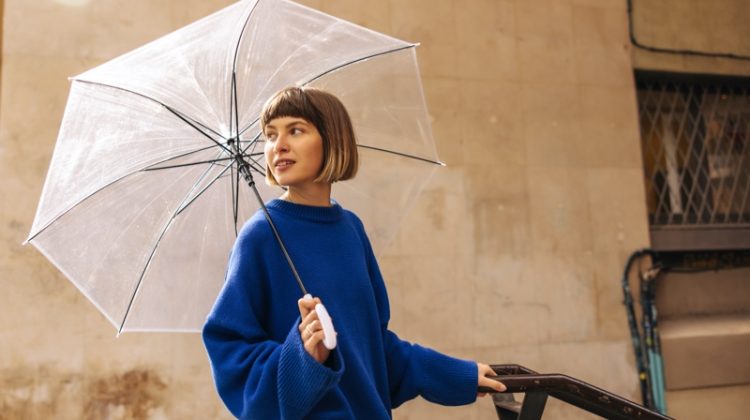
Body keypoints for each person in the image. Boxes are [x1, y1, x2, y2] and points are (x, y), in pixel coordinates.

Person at [202, 86, 505, 419]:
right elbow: (229, 351)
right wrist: (302, 355)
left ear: (332, 139)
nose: (279, 145)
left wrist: (454, 374)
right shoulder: (260, 236)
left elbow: (374, 347)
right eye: (270, 135)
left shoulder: (351, 229)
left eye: (296, 130)